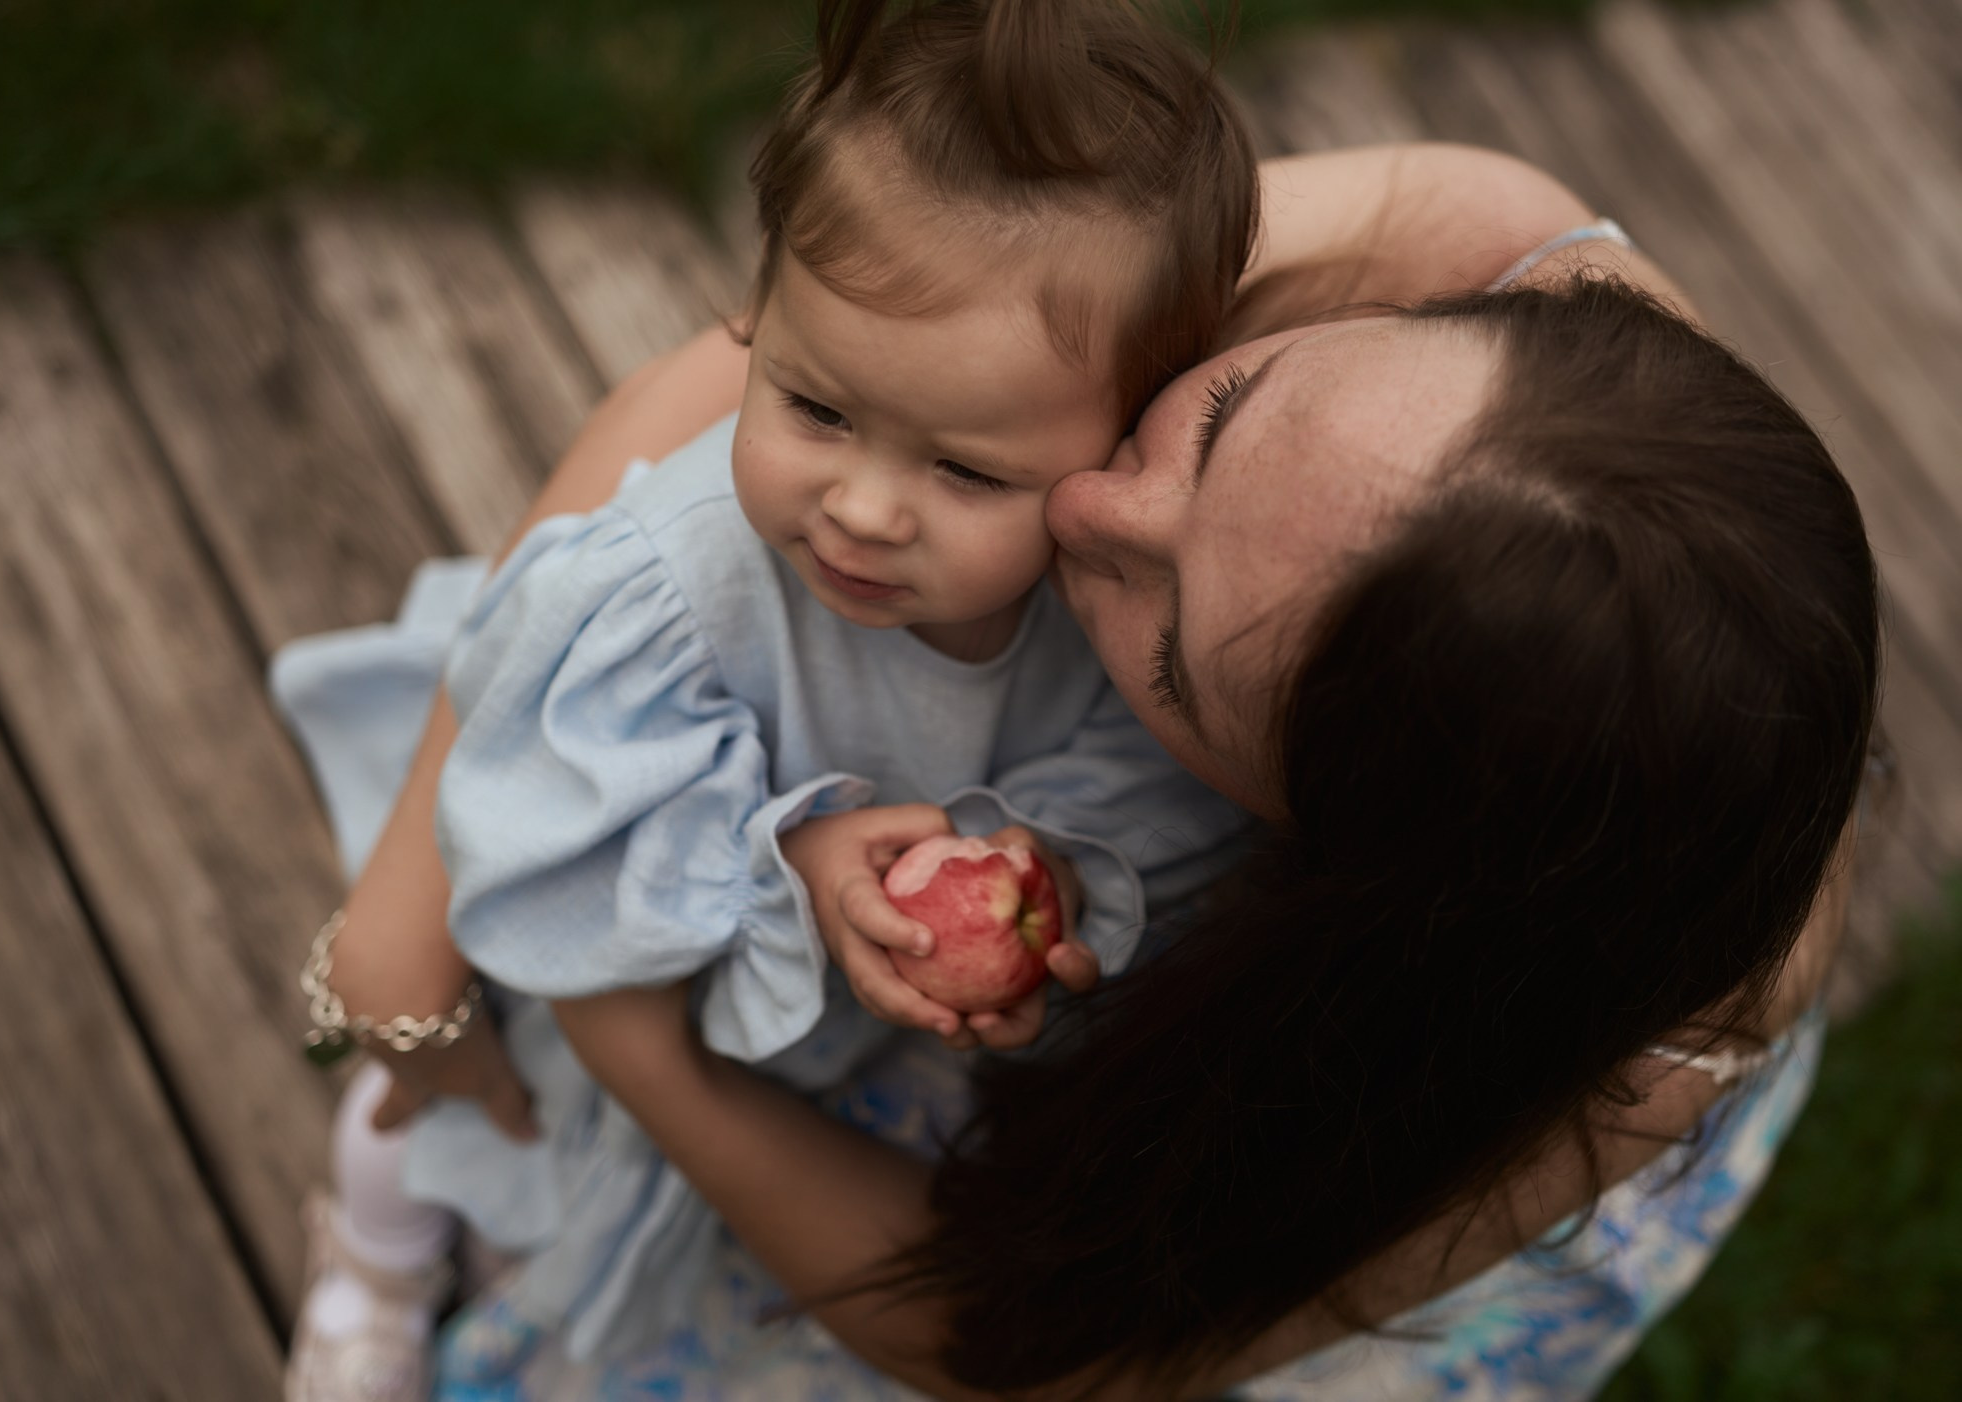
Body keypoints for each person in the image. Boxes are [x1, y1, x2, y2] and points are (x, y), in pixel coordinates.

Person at [295, 144, 1870, 1397]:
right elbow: (766, 359)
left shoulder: (1553, 1062)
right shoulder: (1474, 243)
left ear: (1302, 838)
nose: (1080, 513)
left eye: (1175, 644)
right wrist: (414, 899)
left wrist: (638, 1040)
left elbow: (1013, 1345)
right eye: (1232, 407)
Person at [276, 2, 1261, 1397]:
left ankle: (508, 1254)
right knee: (437, 1114)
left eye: (968, 474)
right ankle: (371, 1261)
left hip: (808, 1028)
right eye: (815, 407)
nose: (861, 509)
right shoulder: (664, 599)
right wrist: (783, 859)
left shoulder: (1114, 614)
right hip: (608, 957)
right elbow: (569, 836)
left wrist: (1040, 879)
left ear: (1124, 442)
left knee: (554, 1199)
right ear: (756, 324)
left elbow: (1130, 776)